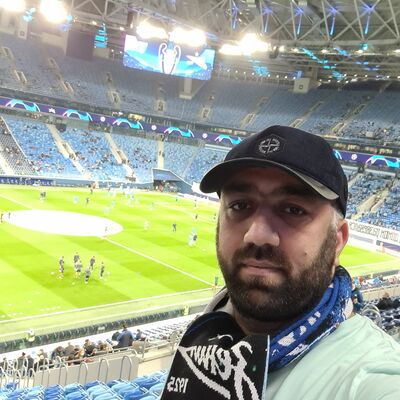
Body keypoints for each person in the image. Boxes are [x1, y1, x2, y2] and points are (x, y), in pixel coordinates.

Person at [160, 126, 400, 400]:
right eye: (239, 206)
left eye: (293, 210)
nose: (257, 235)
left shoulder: (369, 380)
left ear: (336, 241)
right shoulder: (204, 334)